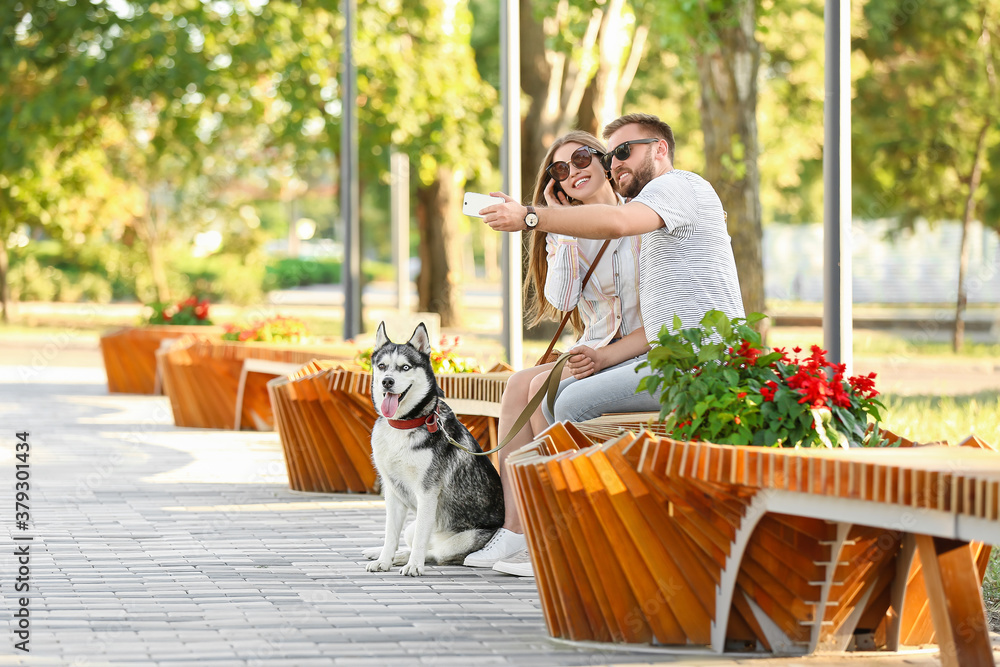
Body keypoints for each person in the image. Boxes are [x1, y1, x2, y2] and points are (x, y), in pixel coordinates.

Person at [481, 112, 745, 424]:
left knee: (566, 403)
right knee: (551, 398)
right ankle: (532, 475)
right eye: (611, 156)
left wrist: (530, 216)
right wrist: (601, 356)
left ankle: (588, 475)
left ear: (660, 149)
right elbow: (655, 327)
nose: (616, 163)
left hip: (701, 360)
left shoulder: (677, 186)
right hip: (667, 357)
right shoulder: (653, 225)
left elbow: (617, 222)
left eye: (624, 152)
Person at [463, 130, 645, 577]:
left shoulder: (638, 218)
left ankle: (544, 536)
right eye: (560, 170)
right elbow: (562, 300)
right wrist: (558, 229)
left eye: (582, 158)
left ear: (604, 161)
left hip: (632, 351)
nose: (574, 171)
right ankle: (514, 529)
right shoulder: (565, 231)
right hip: (595, 348)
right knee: (517, 384)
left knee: (540, 393)